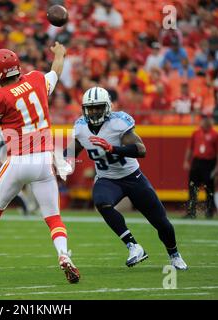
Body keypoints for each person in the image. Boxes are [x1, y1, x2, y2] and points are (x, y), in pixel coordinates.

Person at [0, 42, 80, 283]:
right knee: (53, 217)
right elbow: (56, 71)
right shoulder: (37, 79)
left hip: (18, 160)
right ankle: (63, 255)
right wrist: (60, 53)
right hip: (43, 161)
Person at [64, 86, 188, 270]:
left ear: (107, 107)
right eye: (91, 108)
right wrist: (60, 159)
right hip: (107, 179)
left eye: (98, 107)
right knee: (101, 202)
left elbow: (141, 150)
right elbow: (72, 150)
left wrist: (113, 148)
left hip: (133, 177)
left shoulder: (118, 123)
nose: (94, 111)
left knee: (162, 223)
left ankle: (174, 254)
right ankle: (134, 246)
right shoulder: (81, 127)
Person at [183, 113, 218, 219]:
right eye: (203, 119)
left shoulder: (215, 134)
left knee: (209, 188)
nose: (205, 121)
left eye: (207, 119)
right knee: (193, 187)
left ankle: (209, 212)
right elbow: (190, 148)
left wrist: (217, 167)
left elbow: (217, 152)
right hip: (197, 162)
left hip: (209, 163)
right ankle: (191, 212)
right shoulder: (196, 133)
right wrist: (186, 161)